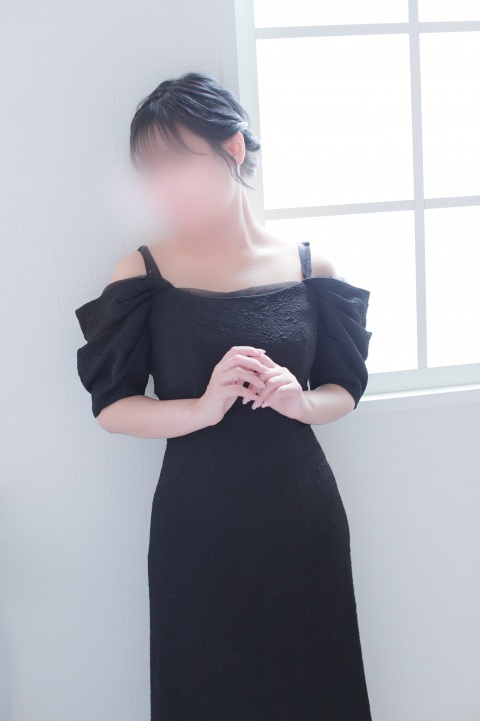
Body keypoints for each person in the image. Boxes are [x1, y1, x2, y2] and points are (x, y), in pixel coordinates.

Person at [75, 71, 373, 720]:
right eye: (150, 171)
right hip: (198, 526)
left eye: (176, 162)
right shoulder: (144, 273)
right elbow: (112, 406)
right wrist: (203, 408)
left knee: (314, 685)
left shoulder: (311, 268)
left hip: (301, 517)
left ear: (232, 148)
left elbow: (346, 386)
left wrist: (302, 402)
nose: (163, 186)